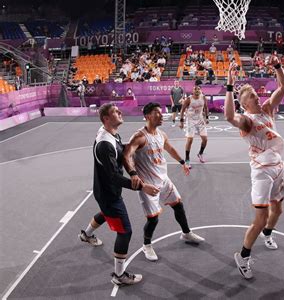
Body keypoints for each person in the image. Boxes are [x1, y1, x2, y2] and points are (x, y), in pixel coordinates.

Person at [78, 103, 159, 286]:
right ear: (106, 118)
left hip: (104, 191)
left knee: (107, 214)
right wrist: (142, 186)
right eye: (115, 112)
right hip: (109, 194)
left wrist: (135, 147)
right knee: (125, 231)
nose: (120, 112)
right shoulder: (105, 144)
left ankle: (86, 235)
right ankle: (119, 275)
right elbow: (114, 177)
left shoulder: (110, 133)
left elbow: (119, 150)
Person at [224, 56, 284, 279]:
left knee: (278, 210)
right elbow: (229, 116)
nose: (257, 97)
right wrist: (230, 84)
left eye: (256, 94)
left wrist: (278, 66)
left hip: (279, 166)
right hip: (262, 170)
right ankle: (243, 256)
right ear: (245, 104)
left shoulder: (268, 109)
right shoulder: (247, 121)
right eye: (252, 96)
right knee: (260, 218)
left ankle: (268, 234)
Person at [123, 102, 205, 261]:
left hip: (163, 179)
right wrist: (133, 174)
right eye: (157, 113)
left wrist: (182, 162)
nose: (161, 116)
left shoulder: (161, 134)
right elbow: (126, 155)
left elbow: (170, 148)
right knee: (153, 219)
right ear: (147, 116)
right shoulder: (140, 136)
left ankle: (186, 233)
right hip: (148, 184)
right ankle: (146, 245)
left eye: (161, 113)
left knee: (178, 206)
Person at [179, 81, 209, 166]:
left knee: (205, 139)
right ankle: (187, 159)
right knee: (190, 140)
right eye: (195, 89)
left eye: (198, 89)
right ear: (193, 91)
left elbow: (206, 108)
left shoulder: (203, 98)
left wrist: (206, 118)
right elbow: (182, 110)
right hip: (190, 120)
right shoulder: (189, 99)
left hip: (200, 120)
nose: (197, 90)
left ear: (200, 90)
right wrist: (181, 121)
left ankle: (200, 153)